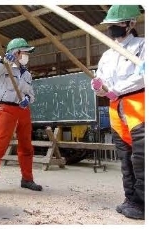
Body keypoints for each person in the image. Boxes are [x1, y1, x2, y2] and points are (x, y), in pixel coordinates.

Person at [92, 5, 145, 220]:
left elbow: (143, 75)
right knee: (125, 157)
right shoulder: (107, 54)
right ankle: (131, 198)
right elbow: (100, 79)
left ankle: (143, 202)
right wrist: (97, 87)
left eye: (117, 24)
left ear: (131, 23)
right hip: (115, 108)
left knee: (141, 156)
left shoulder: (143, 46)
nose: (112, 28)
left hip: (138, 104)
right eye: (110, 25)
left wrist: (116, 90)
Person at [0, 37, 43, 195]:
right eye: (25, 52)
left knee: (26, 146)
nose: (27, 55)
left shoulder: (27, 74)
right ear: (16, 52)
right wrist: (4, 60)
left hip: (23, 110)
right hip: (6, 109)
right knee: (0, 145)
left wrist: (28, 99)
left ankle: (27, 179)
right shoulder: (3, 66)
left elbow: (31, 93)